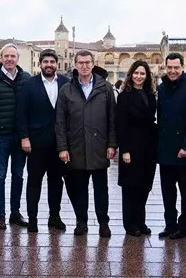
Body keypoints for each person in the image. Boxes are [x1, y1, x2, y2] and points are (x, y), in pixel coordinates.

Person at [56, 50, 117, 237]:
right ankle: (81, 221)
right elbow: (60, 121)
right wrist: (63, 147)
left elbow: (112, 119)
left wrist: (112, 144)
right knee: (79, 189)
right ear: (75, 65)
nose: (84, 66)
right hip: (76, 147)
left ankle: (103, 222)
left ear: (93, 64)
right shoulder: (67, 89)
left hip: (99, 146)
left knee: (101, 189)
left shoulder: (105, 88)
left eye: (87, 62)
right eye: (80, 62)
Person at [17, 49, 69, 233]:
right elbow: (21, 113)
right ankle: (32, 218)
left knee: (56, 182)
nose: (49, 65)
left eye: (52, 62)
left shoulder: (65, 82)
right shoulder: (29, 84)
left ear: (56, 64)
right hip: (36, 143)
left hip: (59, 144)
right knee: (34, 182)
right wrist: (24, 137)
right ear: (40, 64)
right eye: (45, 61)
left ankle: (54, 216)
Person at [0, 43, 31, 230]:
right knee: (0, 176)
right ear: (1, 58)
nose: (10, 59)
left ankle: (15, 212)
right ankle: (0, 215)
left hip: (20, 137)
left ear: (17, 59)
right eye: (6, 56)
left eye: (13, 56)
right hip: (1, 137)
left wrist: (27, 135)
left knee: (18, 175)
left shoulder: (25, 78)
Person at [156, 52, 186, 240]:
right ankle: (170, 224)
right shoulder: (162, 87)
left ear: (182, 67)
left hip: (183, 149)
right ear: (166, 67)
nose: (173, 71)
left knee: (184, 191)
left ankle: (183, 227)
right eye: (170, 67)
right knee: (167, 190)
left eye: (176, 67)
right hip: (165, 148)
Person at [116, 60, 157, 236]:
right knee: (130, 187)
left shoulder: (150, 94)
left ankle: (141, 221)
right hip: (131, 147)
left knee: (144, 186)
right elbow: (121, 124)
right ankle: (130, 223)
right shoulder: (124, 96)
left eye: (142, 73)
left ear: (147, 76)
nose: (139, 76)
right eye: (136, 73)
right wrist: (124, 149)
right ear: (131, 74)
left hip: (148, 147)